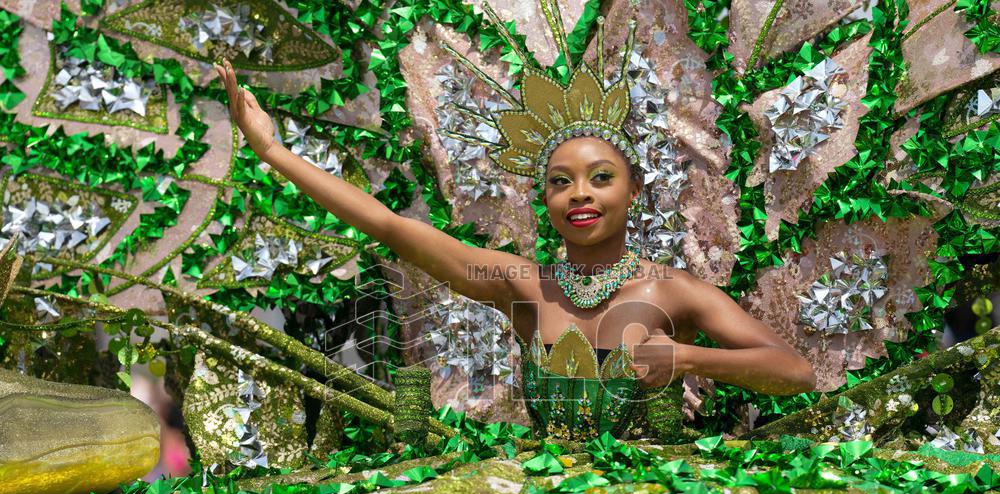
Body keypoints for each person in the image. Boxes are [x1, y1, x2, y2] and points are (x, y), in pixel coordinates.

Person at [214, 50, 815, 443]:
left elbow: (795, 373)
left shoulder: (673, 290)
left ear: (633, 191)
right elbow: (390, 226)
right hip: (543, 493)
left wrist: (687, 359)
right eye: (560, 182)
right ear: (546, 200)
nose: (580, 194)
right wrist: (272, 151)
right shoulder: (520, 283)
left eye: (601, 177)